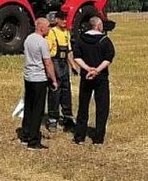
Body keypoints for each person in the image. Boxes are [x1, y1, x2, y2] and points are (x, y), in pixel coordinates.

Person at [72, 16, 115, 145]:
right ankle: (98, 137)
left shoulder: (81, 40)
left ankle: (79, 136)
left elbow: (77, 57)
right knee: (102, 106)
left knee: (83, 106)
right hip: (101, 77)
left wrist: (87, 68)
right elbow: (108, 58)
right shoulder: (105, 40)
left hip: (85, 76)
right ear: (98, 26)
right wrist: (97, 70)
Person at [17, 17, 57, 150]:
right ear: (41, 27)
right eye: (47, 26)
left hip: (28, 77)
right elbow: (47, 62)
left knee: (29, 106)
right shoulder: (42, 42)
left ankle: (25, 134)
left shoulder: (28, 39)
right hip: (39, 78)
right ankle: (33, 141)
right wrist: (54, 79)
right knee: (38, 110)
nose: (49, 29)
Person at [45, 11, 77, 132]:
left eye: (66, 19)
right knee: (54, 91)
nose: (64, 21)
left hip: (64, 64)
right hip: (55, 63)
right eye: (62, 19)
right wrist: (49, 70)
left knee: (66, 91)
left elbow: (68, 52)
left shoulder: (67, 33)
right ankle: (53, 119)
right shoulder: (52, 33)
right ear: (56, 20)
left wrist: (73, 65)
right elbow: (47, 52)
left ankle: (67, 117)